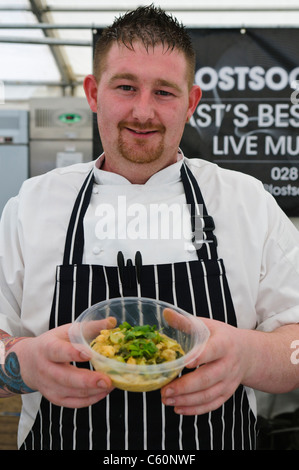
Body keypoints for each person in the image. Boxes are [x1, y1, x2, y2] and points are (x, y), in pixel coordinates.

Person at [1, 5, 299, 451]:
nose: (143, 112)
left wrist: (251, 355)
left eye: (164, 92)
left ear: (192, 103)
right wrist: (19, 362)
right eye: (125, 87)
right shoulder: (31, 207)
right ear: (93, 93)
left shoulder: (246, 202)